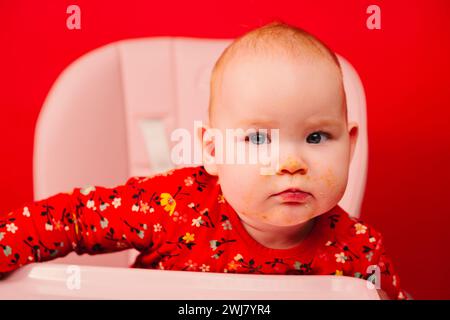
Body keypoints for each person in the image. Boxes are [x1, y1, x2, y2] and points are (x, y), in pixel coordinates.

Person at [0, 21, 407, 299]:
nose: (291, 162)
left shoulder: (359, 253)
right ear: (213, 150)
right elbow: (72, 217)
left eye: (316, 136)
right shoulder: (172, 206)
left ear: (350, 145)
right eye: (258, 137)